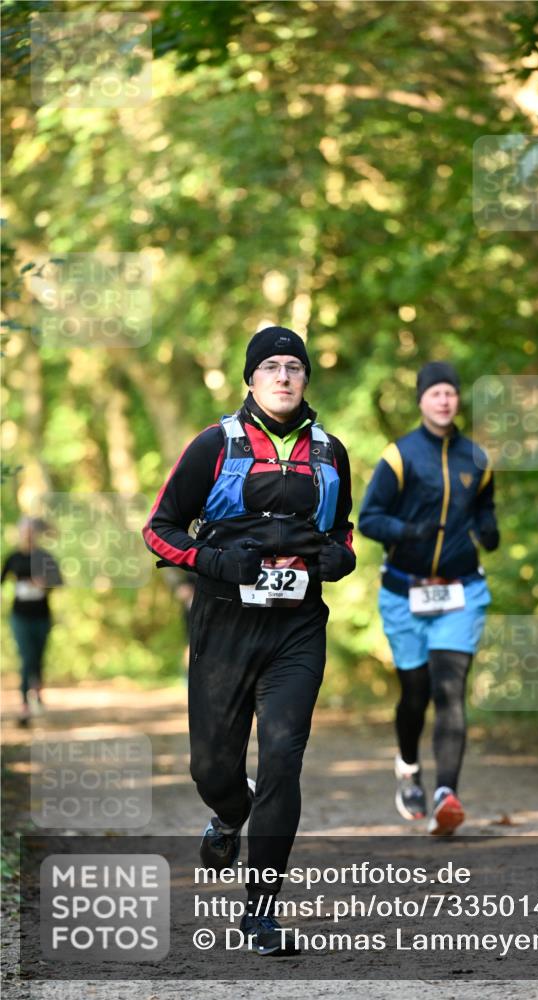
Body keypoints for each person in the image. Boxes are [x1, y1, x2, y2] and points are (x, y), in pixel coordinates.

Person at [142, 326, 355, 954]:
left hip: (296, 629)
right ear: (251, 379)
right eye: (271, 367)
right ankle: (230, 814)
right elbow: (159, 529)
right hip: (223, 624)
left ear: (306, 378)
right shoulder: (215, 444)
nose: (284, 377)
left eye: (295, 366)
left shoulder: (331, 451)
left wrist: (333, 562)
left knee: (284, 760)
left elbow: (341, 534)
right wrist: (212, 563)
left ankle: (261, 912)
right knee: (212, 768)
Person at [359, 361, 499, 835]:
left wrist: (488, 527)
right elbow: (369, 518)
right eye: (435, 393)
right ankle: (408, 767)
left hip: (461, 592)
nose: (444, 400)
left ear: (458, 400)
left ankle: (447, 795)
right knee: (415, 693)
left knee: (450, 689)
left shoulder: (477, 459)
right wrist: (409, 530)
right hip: (405, 593)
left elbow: (484, 506)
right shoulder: (399, 456)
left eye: (450, 393)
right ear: (421, 400)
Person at [1, 517, 62, 726]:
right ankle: (24, 705)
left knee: (37, 657)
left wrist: (44, 585)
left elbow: (59, 581)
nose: (27, 535)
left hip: (41, 615)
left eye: (30, 531)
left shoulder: (45, 557)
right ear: (19, 533)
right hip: (19, 615)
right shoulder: (13, 558)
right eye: (24, 531)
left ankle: (37, 691)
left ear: (36, 534)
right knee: (26, 657)